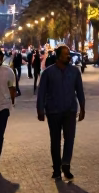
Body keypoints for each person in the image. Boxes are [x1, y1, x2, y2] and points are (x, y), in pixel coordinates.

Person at [36, 45, 85, 181]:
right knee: (55, 141)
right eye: (65, 54)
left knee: (69, 139)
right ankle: (56, 169)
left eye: (69, 54)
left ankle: (66, 165)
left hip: (70, 111)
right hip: (53, 111)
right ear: (58, 57)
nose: (68, 56)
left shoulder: (75, 72)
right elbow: (41, 93)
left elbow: (80, 91)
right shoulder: (48, 73)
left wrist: (82, 108)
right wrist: (40, 110)